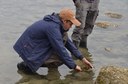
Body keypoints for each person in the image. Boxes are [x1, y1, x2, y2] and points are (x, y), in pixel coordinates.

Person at [13, 8, 93, 74]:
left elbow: (68, 43)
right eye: (71, 24)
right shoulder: (53, 28)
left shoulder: (59, 25)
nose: (71, 26)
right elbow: (60, 49)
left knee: (62, 51)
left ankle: (50, 69)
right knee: (61, 58)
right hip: (27, 48)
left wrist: (82, 58)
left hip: (33, 46)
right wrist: (74, 66)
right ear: (65, 21)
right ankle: (26, 66)